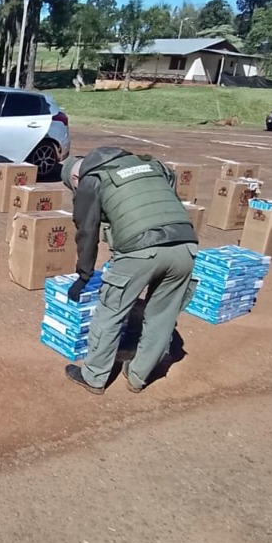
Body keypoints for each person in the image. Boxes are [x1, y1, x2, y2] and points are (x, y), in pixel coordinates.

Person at [59, 147, 199, 394]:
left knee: (111, 311)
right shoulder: (149, 163)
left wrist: (84, 274)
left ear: (75, 179)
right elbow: (170, 181)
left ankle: (93, 377)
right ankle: (138, 376)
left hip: (139, 250)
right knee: (162, 315)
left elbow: (87, 230)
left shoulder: (92, 179)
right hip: (185, 246)